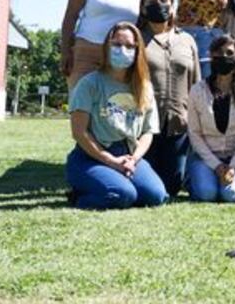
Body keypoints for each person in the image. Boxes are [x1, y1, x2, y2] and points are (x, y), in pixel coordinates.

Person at [65, 21, 168, 209]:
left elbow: (148, 131)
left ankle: (112, 184)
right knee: (122, 195)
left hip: (128, 156)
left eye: (129, 46)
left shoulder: (144, 87)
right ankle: (79, 195)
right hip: (91, 157)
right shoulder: (90, 84)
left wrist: (133, 159)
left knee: (156, 196)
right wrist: (111, 161)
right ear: (107, 47)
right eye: (117, 44)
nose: (123, 50)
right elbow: (79, 132)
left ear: (138, 51)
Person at [138, 0, 200, 196]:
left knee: (171, 186)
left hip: (178, 124)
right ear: (143, 8)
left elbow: (196, 82)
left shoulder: (186, 40)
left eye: (164, 0)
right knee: (147, 185)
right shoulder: (136, 39)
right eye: (152, 1)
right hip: (144, 125)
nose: (159, 5)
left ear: (172, 7)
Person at [186, 35, 235, 203]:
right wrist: (217, 166)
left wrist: (233, 166)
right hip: (207, 157)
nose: (224, 57)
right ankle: (195, 180)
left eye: (230, 53)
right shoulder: (197, 90)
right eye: (219, 53)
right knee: (208, 194)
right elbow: (194, 134)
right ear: (212, 57)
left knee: (230, 194)